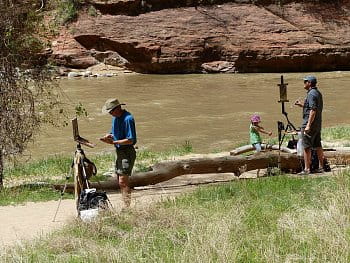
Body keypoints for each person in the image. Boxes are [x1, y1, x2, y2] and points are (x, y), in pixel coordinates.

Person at [100, 98, 137, 208]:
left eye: (111, 111)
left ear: (118, 108)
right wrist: (109, 135)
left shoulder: (128, 119)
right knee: (120, 180)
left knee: (122, 181)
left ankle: (127, 207)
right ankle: (126, 204)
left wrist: (114, 142)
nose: (110, 114)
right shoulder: (116, 118)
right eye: (109, 112)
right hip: (119, 151)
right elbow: (114, 132)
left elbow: (131, 140)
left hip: (127, 151)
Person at [294, 76, 324, 174]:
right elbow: (312, 107)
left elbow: (313, 110)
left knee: (306, 146)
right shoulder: (317, 93)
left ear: (310, 83)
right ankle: (321, 167)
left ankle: (307, 169)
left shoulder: (311, 94)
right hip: (317, 124)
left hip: (310, 124)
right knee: (317, 145)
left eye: (305, 81)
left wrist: (308, 125)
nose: (304, 83)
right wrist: (301, 105)